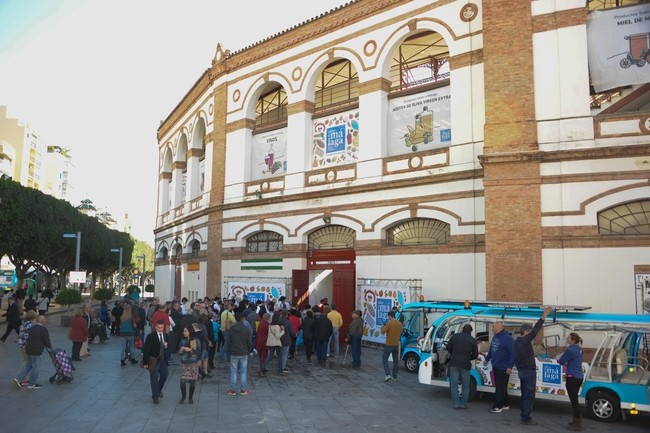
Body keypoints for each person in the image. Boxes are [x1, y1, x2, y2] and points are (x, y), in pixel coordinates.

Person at [515, 306, 553, 425]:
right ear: (526, 331)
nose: (531, 333)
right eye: (530, 331)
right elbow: (536, 329)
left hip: (521, 370)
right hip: (528, 371)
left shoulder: (516, 342)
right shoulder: (526, 340)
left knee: (524, 394)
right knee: (529, 395)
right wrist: (544, 315)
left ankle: (523, 415)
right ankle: (526, 418)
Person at [484, 320, 515, 413]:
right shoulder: (495, 336)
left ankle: (497, 406)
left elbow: (513, 354)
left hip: (503, 367)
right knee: (501, 387)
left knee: (500, 388)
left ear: (498, 327)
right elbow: (491, 349)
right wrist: (487, 359)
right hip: (496, 365)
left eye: (494, 326)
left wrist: (510, 366)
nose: (493, 328)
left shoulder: (508, 339)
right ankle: (506, 404)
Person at [14, 315, 51, 389]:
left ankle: (18, 379)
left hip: (29, 349)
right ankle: (32, 383)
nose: (45, 321)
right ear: (42, 321)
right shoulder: (43, 329)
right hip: (37, 351)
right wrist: (49, 347)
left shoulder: (32, 328)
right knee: (36, 368)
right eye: (45, 320)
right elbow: (47, 341)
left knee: (29, 365)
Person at [447, 323, 479, 409]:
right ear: (471, 331)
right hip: (466, 365)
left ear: (462, 329)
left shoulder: (455, 336)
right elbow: (475, 355)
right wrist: (468, 357)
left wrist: (453, 353)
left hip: (454, 363)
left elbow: (448, 347)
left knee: (454, 384)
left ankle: (456, 404)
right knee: (465, 385)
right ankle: (464, 404)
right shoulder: (473, 340)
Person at [559, 332, 584, 431]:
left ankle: (577, 423)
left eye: (569, 338)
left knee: (574, 402)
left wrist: (563, 361)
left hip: (572, 377)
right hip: (579, 377)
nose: (567, 339)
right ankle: (575, 420)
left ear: (573, 340)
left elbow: (561, 360)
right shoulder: (579, 349)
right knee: (575, 400)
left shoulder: (570, 350)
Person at [142, 320, 170, 404]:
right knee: (154, 378)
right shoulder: (150, 336)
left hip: (162, 359)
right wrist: (145, 362)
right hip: (154, 360)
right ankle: (155, 396)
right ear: (155, 327)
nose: (160, 329)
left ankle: (158, 389)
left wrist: (166, 347)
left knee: (165, 374)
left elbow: (167, 347)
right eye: (159, 327)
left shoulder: (165, 335)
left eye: (162, 327)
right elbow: (146, 349)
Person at [226, 312, 252, 395]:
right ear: (242, 319)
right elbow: (249, 342)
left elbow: (228, 342)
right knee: (243, 372)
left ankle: (232, 390)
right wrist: (248, 349)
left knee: (233, 371)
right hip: (244, 352)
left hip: (234, 352)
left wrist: (230, 349)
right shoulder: (246, 329)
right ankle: (243, 390)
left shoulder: (231, 329)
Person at [178, 325, 201, 404]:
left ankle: (190, 397)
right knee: (182, 381)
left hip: (193, 362)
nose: (184, 332)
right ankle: (183, 396)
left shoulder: (196, 340)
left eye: (185, 331)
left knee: (192, 382)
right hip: (184, 362)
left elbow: (198, 351)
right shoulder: (182, 341)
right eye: (184, 331)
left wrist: (191, 350)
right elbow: (179, 352)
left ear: (190, 332)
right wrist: (181, 350)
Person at [15, 310, 38, 385]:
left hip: (21, 344)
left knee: (26, 361)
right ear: (33, 317)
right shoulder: (30, 325)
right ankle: (20, 378)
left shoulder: (24, 323)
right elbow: (27, 337)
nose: (36, 318)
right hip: (25, 346)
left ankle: (22, 378)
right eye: (35, 317)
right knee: (27, 363)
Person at [380, 310, 403, 382]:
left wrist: (382, 327)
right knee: (395, 361)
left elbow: (383, 331)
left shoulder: (390, 323)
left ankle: (388, 374)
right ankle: (395, 376)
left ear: (390, 316)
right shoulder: (400, 323)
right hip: (396, 345)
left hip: (389, 344)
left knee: (384, 359)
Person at [119, 302, 139, 366]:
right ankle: (132, 359)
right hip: (130, 333)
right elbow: (135, 325)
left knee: (123, 347)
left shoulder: (122, 317)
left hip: (122, 333)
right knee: (131, 346)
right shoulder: (132, 317)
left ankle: (122, 360)